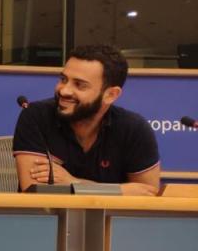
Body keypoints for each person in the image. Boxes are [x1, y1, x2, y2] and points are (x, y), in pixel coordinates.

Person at [13, 45, 159, 195]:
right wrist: (120, 191)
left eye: (79, 85)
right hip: (46, 218)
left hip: (110, 218)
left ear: (111, 95)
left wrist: (73, 182)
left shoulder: (134, 128)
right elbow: (35, 191)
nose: (64, 90)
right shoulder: (36, 116)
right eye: (63, 79)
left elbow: (147, 194)